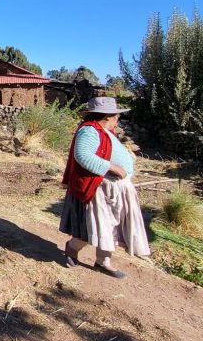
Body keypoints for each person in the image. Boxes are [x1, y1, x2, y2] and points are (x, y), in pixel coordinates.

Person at [59, 97, 150, 278]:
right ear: (108, 116)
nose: (117, 119)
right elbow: (83, 155)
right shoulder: (89, 131)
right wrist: (113, 167)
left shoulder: (103, 131)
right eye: (116, 116)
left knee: (110, 227)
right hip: (98, 189)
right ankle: (72, 249)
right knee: (97, 227)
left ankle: (103, 262)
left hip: (112, 188)